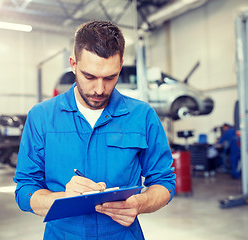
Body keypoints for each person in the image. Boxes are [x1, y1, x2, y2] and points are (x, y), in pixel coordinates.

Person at [14, 20, 176, 239]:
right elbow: (25, 190)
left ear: (120, 66)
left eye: (110, 77)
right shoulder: (42, 117)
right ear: (73, 64)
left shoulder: (142, 116)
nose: (99, 89)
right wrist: (61, 199)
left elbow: (164, 182)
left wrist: (141, 202)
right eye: (89, 76)